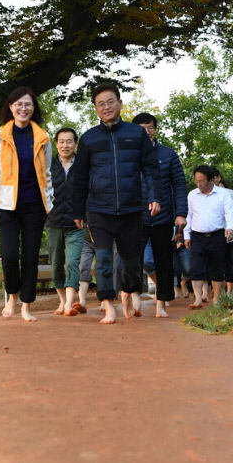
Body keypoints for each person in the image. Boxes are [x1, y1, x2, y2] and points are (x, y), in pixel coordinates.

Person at [71, 82, 161, 323]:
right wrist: (77, 209)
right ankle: (107, 304)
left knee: (132, 261)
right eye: (101, 104)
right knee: (104, 259)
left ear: (120, 103)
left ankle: (129, 293)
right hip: (99, 209)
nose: (106, 107)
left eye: (111, 101)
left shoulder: (136, 134)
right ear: (95, 109)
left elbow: (150, 168)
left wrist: (153, 196)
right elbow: (79, 177)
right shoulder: (89, 139)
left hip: (132, 208)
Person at [0, 86, 53, 322]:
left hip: (34, 205)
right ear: (11, 107)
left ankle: (27, 305)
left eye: (28, 105)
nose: (24, 109)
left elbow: (48, 174)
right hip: (6, 206)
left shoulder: (42, 137)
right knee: (10, 255)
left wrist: (49, 205)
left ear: (34, 108)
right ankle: (12, 296)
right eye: (19, 105)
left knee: (31, 256)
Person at [132, 112, 188, 318]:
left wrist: (181, 213)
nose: (146, 132)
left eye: (150, 127)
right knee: (133, 260)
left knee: (164, 261)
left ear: (156, 130)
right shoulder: (128, 156)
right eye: (141, 128)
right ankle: (134, 297)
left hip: (163, 217)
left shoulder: (168, 154)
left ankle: (161, 304)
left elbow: (180, 185)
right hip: (135, 216)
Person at [183, 165, 233, 308]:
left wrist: (229, 228)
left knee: (217, 267)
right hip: (197, 236)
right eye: (196, 181)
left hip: (217, 235)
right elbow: (189, 216)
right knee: (196, 267)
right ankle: (198, 299)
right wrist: (186, 235)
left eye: (202, 181)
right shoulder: (192, 195)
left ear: (211, 180)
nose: (199, 184)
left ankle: (217, 299)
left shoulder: (223, 194)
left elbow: (230, 213)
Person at [46, 127, 86, 316]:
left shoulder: (83, 165)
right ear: (56, 144)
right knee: (56, 265)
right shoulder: (49, 166)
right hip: (53, 223)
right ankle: (62, 301)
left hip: (76, 225)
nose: (65, 145)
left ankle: (69, 304)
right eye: (61, 141)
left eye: (69, 141)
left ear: (75, 144)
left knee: (72, 262)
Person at [211, 169, 233, 297]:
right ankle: (217, 295)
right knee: (216, 264)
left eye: (213, 177)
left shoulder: (229, 193)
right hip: (214, 235)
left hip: (231, 234)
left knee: (230, 263)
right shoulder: (203, 194)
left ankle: (229, 293)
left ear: (219, 178)